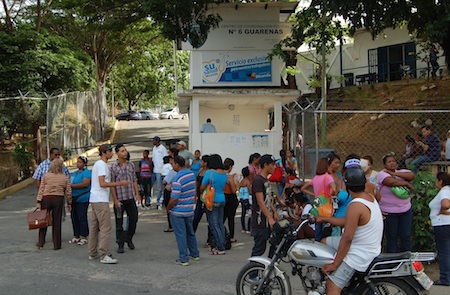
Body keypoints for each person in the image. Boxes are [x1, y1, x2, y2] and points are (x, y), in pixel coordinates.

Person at [318, 167, 383, 295]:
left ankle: (335, 279)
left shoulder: (355, 206)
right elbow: (348, 221)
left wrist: (335, 265)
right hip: (368, 246)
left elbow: (347, 238)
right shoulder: (369, 197)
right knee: (324, 242)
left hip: (359, 252)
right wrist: (325, 219)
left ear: (347, 186)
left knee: (332, 285)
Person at [88, 144, 128, 264]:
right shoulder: (102, 165)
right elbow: (102, 183)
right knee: (105, 227)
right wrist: (120, 183)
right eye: (110, 151)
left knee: (95, 227)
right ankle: (104, 254)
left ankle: (92, 251)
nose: (112, 153)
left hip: (94, 199)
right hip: (101, 199)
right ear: (105, 152)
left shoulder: (97, 164)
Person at [377, 153, 415, 253]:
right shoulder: (382, 174)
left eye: (394, 161)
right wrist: (406, 183)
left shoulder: (402, 172)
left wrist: (395, 174)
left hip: (405, 210)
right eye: (389, 162)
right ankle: (392, 262)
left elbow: (411, 175)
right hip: (389, 212)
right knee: (392, 237)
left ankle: (406, 259)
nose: (392, 163)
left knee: (406, 235)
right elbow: (391, 182)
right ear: (384, 165)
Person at [167, 156, 200, 266]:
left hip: (178, 211)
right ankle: (195, 254)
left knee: (180, 235)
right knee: (190, 233)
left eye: (173, 164)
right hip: (189, 209)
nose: (172, 166)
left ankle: (183, 258)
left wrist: (168, 207)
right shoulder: (191, 174)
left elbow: (175, 197)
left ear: (177, 164)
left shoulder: (178, 178)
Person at [35, 158, 72, 250]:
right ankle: (57, 244)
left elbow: (41, 189)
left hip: (46, 198)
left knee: (43, 220)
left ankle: (41, 242)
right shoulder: (64, 177)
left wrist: (38, 201)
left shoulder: (46, 176)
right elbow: (68, 191)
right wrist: (69, 202)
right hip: (58, 199)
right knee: (57, 221)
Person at [110, 144, 139, 254]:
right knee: (119, 222)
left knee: (134, 219)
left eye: (125, 150)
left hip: (130, 197)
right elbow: (112, 184)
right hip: (120, 198)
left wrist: (137, 194)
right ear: (117, 153)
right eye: (122, 151)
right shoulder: (113, 167)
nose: (125, 153)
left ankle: (128, 237)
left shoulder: (130, 165)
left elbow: (134, 180)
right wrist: (115, 199)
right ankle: (120, 243)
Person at [301, 158, 336, 241]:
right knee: (326, 230)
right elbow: (334, 189)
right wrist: (330, 195)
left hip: (317, 205)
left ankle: (317, 245)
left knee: (318, 229)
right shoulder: (328, 177)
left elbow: (303, 188)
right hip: (326, 205)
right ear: (327, 166)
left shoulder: (315, 178)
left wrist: (313, 194)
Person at [200, 154, 228, 255]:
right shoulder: (224, 174)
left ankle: (219, 247)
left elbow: (202, 186)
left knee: (213, 224)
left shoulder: (210, 173)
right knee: (220, 223)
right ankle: (221, 244)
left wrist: (200, 192)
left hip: (211, 200)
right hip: (222, 198)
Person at [251, 154, 277, 257]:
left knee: (275, 245)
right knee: (259, 249)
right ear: (265, 165)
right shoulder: (258, 180)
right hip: (260, 221)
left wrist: (274, 211)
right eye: (272, 165)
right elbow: (260, 201)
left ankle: (269, 268)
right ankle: (253, 272)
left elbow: (268, 200)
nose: (274, 167)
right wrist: (269, 217)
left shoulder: (266, 181)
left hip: (268, 221)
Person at [429, 172, 450, 286]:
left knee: (444, 253)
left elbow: (445, 204)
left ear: (440, 181)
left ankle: (445, 278)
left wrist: (443, 210)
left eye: (436, 180)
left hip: (442, 224)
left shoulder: (444, 191)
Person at [69, 156, 91, 246]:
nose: (78, 164)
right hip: (73, 197)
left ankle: (84, 236)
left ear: (84, 163)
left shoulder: (87, 173)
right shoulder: (74, 173)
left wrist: (72, 186)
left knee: (82, 216)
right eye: (77, 162)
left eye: (80, 162)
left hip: (83, 197)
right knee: (74, 217)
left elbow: (85, 184)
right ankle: (76, 235)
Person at [223, 158, 239, 243]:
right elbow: (233, 190)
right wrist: (237, 184)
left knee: (222, 217)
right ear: (230, 167)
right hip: (230, 197)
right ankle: (231, 236)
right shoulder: (229, 177)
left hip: (223, 196)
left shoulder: (220, 175)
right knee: (231, 218)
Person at [151, 136, 168, 210]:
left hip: (160, 170)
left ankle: (159, 202)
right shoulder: (154, 148)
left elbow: (166, 158)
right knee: (151, 186)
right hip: (154, 169)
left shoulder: (162, 148)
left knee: (159, 188)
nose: (153, 142)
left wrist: (163, 169)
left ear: (157, 141)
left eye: (154, 141)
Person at [162, 156, 176, 233]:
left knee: (169, 208)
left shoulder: (172, 172)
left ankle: (171, 226)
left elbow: (164, 181)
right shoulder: (183, 172)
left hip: (170, 191)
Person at [239, 166, 252, 234]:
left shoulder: (241, 181)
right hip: (247, 198)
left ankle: (243, 227)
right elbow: (250, 191)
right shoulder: (248, 182)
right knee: (250, 213)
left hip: (241, 198)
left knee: (243, 213)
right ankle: (249, 228)